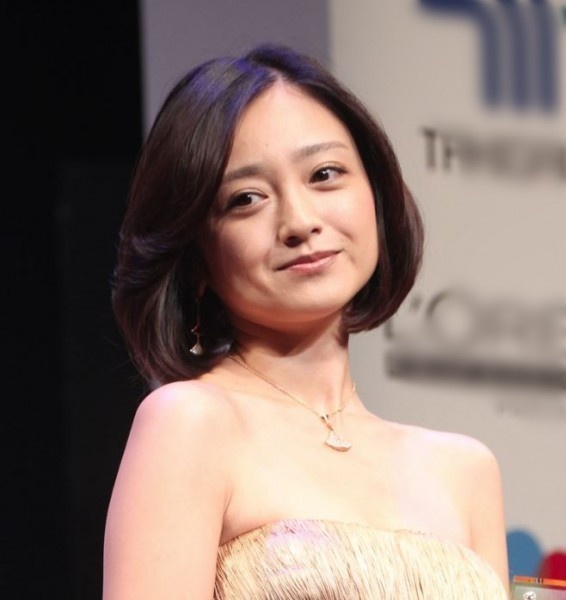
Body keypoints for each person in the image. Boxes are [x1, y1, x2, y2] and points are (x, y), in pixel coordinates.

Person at [104, 44, 509, 599]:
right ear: (196, 257)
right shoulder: (190, 423)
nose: (299, 221)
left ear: (376, 195)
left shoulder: (466, 470)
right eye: (246, 199)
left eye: (324, 174)